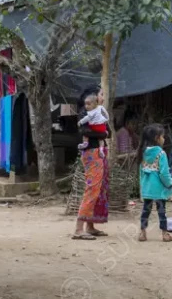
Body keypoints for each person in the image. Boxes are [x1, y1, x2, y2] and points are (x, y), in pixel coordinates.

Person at [72, 87, 110, 240]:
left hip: (98, 151)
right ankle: (78, 229)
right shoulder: (84, 112)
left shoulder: (99, 111)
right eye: (101, 94)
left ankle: (90, 226)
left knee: (99, 189)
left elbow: (108, 132)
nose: (103, 96)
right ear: (93, 97)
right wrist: (103, 133)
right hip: (92, 152)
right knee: (92, 188)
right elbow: (85, 131)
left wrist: (104, 133)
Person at [138, 124, 172, 242]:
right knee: (162, 212)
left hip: (147, 188)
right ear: (156, 138)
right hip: (159, 189)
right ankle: (165, 234)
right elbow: (164, 173)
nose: (164, 139)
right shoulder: (161, 153)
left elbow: (141, 172)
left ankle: (142, 233)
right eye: (163, 136)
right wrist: (169, 183)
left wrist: (142, 187)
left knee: (145, 211)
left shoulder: (143, 152)